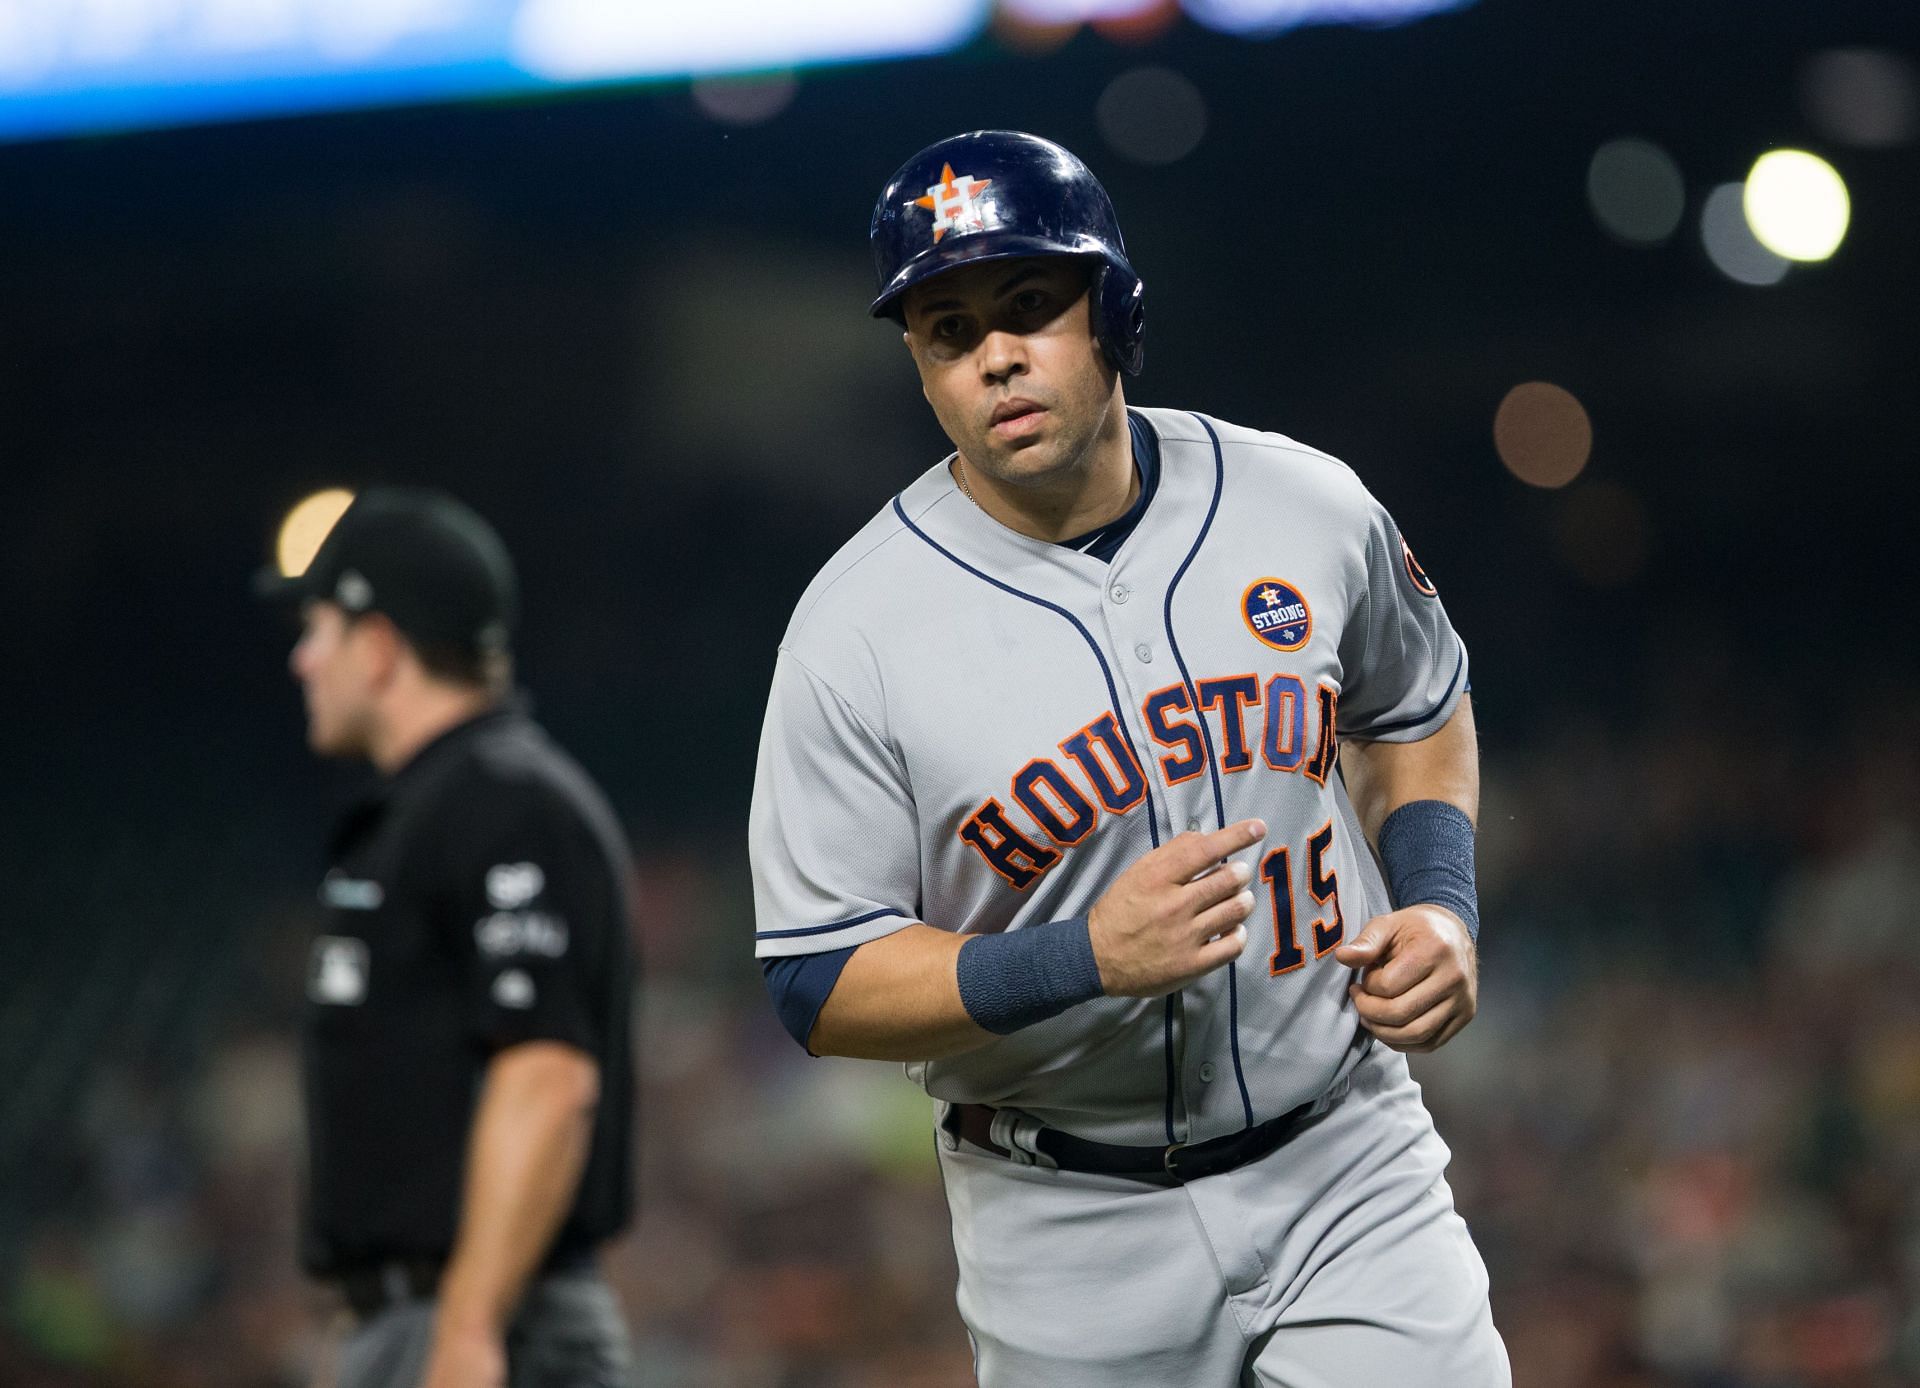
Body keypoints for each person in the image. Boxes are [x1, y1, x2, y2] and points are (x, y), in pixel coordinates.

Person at [749, 131, 1508, 1385]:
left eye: (1029, 304)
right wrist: (1081, 955)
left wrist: (1440, 902)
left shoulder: (1304, 505)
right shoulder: (853, 632)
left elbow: (1417, 706)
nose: (995, 354)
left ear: (1116, 308)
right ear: (921, 370)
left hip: (1348, 1159)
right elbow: (816, 978)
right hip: (1066, 1220)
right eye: (948, 330)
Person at [260, 487, 636, 1388]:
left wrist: (466, 1332)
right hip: (427, 1319)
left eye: (317, 631)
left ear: (381, 645)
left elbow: (547, 1075)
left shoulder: (504, 802)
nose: (301, 661)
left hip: (493, 1323)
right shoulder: (432, 809)